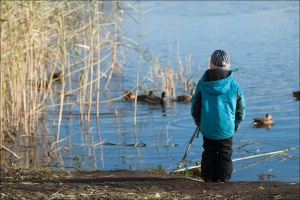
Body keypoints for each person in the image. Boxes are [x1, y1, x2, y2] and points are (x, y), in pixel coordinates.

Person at [191, 49, 246, 182]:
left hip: (207, 126)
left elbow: (195, 106)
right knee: (225, 153)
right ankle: (224, 179)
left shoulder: (202, 84)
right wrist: (237, 123)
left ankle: (208, 178)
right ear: (228, 65)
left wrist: (198, 120)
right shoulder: (234, 86)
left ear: (210, 64)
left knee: (209, 152)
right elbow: (241, 108)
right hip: (227, 127)